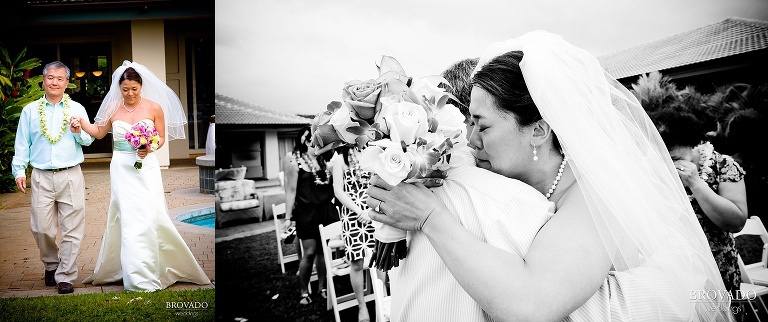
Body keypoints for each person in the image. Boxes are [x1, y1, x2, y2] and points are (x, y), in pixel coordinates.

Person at [367, 31, 733, 321]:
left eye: (481, 125)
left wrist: (430, 217)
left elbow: (532, 305)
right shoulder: (503, 178)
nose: (469, 140)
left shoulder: (594, 199)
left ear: (538, 131)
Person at [71, 61, 210, 292]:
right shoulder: (113, 108)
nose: (130, 94)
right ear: (119, 88)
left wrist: (150, 146)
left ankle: (154, 268)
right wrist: (81, 122)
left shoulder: (154, 107)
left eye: (134, 89)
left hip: (146, 168)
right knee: (127, 216)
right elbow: (98, 132)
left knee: (149, 214)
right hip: (121, 168)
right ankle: (133, 273)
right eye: (125, 89)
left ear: (141, 86)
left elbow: (162, 138)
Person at [652, 107, 748, 319]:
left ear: (693, 145)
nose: (669, 164)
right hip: (674, 271)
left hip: (719, 266)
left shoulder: (723, 165)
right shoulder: (656, 170)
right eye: (663, 158)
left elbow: (737, 221)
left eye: (674, 157)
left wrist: (696, 184)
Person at [12, 61, 95, 294]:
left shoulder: (77, 108)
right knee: (41, 228)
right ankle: (51, 264)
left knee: (72, 228)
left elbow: (89, 141)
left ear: (67, 83)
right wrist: (19, 171)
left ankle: (66, 275)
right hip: (41, 176)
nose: (55, 82)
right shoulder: (30, 110)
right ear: (43, 80)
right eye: (50, 77)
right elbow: (22, 145)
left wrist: (79, 133)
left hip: (71, 174)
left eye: (60, 78)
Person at [281, 126, 337, 304]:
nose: (311, 143)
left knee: (323, 253)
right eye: (307, 139)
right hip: (306, 214)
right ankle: (304, 291)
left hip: (326, 211)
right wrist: (288, 218)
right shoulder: (295, 163)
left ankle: (322, 288)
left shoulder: (324, 162)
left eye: (314, 140)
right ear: (302, 142)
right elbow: (290, 192)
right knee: (310, 253)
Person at [331, 146, 383, 322]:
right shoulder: (340, 159)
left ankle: (383, 301)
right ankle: (362, 307)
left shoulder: (376, 152)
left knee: (381, 258)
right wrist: (359, 211)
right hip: (353, 216)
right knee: (357, 262)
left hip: (374, 210)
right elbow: (338, 190)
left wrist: (370, 210)